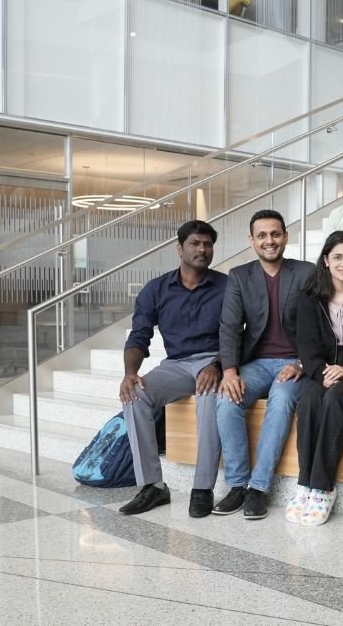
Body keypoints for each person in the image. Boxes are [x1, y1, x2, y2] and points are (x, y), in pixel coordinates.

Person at [117, 220, 228, 518]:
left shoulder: (227, 286)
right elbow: (139, 336)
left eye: (207, 244)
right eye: (195, 243)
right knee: (135, 394)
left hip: (214, 361)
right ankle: (153, 486)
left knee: (209, 398)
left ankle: (202, 488)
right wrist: (130, 373)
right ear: (180, 248)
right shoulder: (156, 289)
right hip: (176, 364)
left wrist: (217, 365)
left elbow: (238, 334)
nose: (202, 249)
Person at [215, 210, 314, 520]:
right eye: (262, 235)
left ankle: (258, 488)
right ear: (252, 240)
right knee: (226, 400)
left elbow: (320, 325)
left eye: (275, 234)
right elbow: (230, 327)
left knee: (281, 400)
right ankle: (237, 484)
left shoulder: (306, 272)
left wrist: (303, 363)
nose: (269, 241)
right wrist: (229, 371)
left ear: (285, 236)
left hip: (295, 363)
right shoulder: (239, 276)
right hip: (256, 363)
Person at [286, 231, 343, 527]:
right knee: (308, 400)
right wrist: (323, 374)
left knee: (336, 399)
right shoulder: (310, 297)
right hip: (321, 368)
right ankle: (304, 483)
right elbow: (306, 345)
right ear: (325, 260)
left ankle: (322, 487)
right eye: (337, 257)